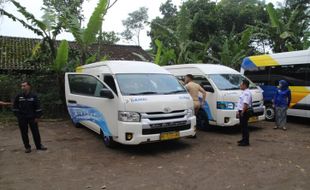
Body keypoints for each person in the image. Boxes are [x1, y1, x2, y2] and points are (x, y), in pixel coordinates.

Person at [13, 81, 47, 153]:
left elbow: (38, 106)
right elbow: (15, 106)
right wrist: (18, 115)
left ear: (29, 86)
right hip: (22, 118)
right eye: (22, 86)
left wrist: (38, 117)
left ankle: (39, 146)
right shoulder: (19, 96)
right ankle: (27, 147)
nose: (23, 87)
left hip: (32, 118)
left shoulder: (34, 96)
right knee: (24, 133)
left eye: (24, 86)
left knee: (35, 132)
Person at [236, 79, 252, 146]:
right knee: (242, 126)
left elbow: (245, 103)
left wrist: (242, 112)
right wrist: (238, 111)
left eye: (241, 84)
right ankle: (243, 139)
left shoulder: (247, 93)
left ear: (245, 85)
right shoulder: (244, 92)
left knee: (245, 126)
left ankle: (246, 142)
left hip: (244, 111)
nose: (240, 85)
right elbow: (241, 103)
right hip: (242, 110)